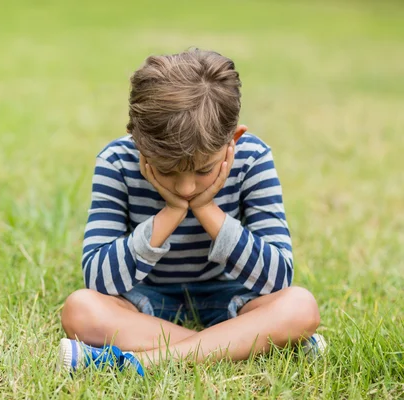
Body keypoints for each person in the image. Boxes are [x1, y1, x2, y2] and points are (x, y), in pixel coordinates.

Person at [58, 49, 325, 376]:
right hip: (145, 304)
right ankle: (245, 347)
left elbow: (278, 278)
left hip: (233, 300)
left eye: (203, 170)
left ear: (233, 140)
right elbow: (98, 280)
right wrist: (170, 214)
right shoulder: (116, 161)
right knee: (80, 309)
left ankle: (143, 362)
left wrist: (207, 209)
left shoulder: (253, 158)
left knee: (300, 306)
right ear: (139, 143)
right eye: (167, 170)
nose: (186, 188)